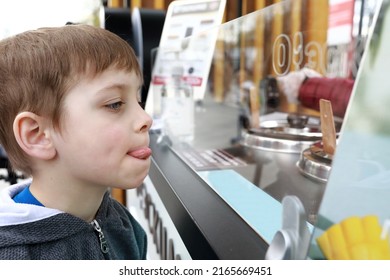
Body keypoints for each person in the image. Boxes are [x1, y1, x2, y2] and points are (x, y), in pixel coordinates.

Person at [0, 24, 153, 259]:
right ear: (38, 135)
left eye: (138, 100)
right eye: (115, 104)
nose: (145, 119)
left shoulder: (123, 224)